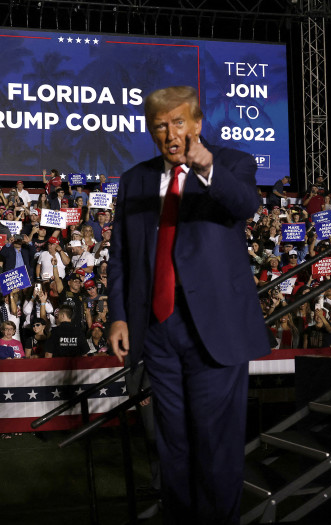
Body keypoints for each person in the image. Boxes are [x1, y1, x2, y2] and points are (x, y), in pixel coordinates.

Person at [106, 86, 266, 524]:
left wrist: (206, 167)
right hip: (157, 330)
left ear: (197, 125)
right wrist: (118, 314)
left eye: (178, 122)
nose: (170, 132)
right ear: (150, 129)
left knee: (215, 444)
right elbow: (120, 254)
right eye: (160, 124)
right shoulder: (135, 179)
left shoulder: (232, 163)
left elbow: (245, 205)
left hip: (212, 331)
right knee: (172, 443)